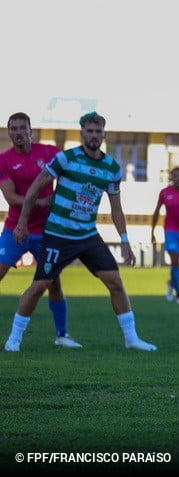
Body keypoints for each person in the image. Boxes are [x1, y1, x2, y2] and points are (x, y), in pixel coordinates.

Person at [4, 111, 156, 352]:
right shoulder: (66, 159)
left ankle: (132, 339)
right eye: (89, 131)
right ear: (82, 134)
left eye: (98, 131)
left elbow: (116, 209)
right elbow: (34, 189)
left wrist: (125, 239)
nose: (94, 135)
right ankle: (14, 339)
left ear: (104, 135)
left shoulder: (112, 168)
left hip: (87, 236)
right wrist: (22, 222)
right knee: (40, 286)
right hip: (58, 234)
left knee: (115, 282)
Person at [0, 112, 81, 348]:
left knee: (54, 282)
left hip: (47, 231)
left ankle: (62, 335)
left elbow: (71, 176)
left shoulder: (50, 153)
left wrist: (58, 199)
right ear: (9, 133)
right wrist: (41, 201)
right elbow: (10, 196)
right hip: (16, 229)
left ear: (30, 131)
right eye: (13, 129)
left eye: (22, 128)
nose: (18, 132)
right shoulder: (4, 160)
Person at [150, 167, 179, 304]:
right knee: (175, 261)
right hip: (170, 232)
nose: (177, 178)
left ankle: (172, 282)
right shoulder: (164, 193)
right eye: (174, 175)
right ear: (171, 177)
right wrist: (152, 231)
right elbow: (156, 212)